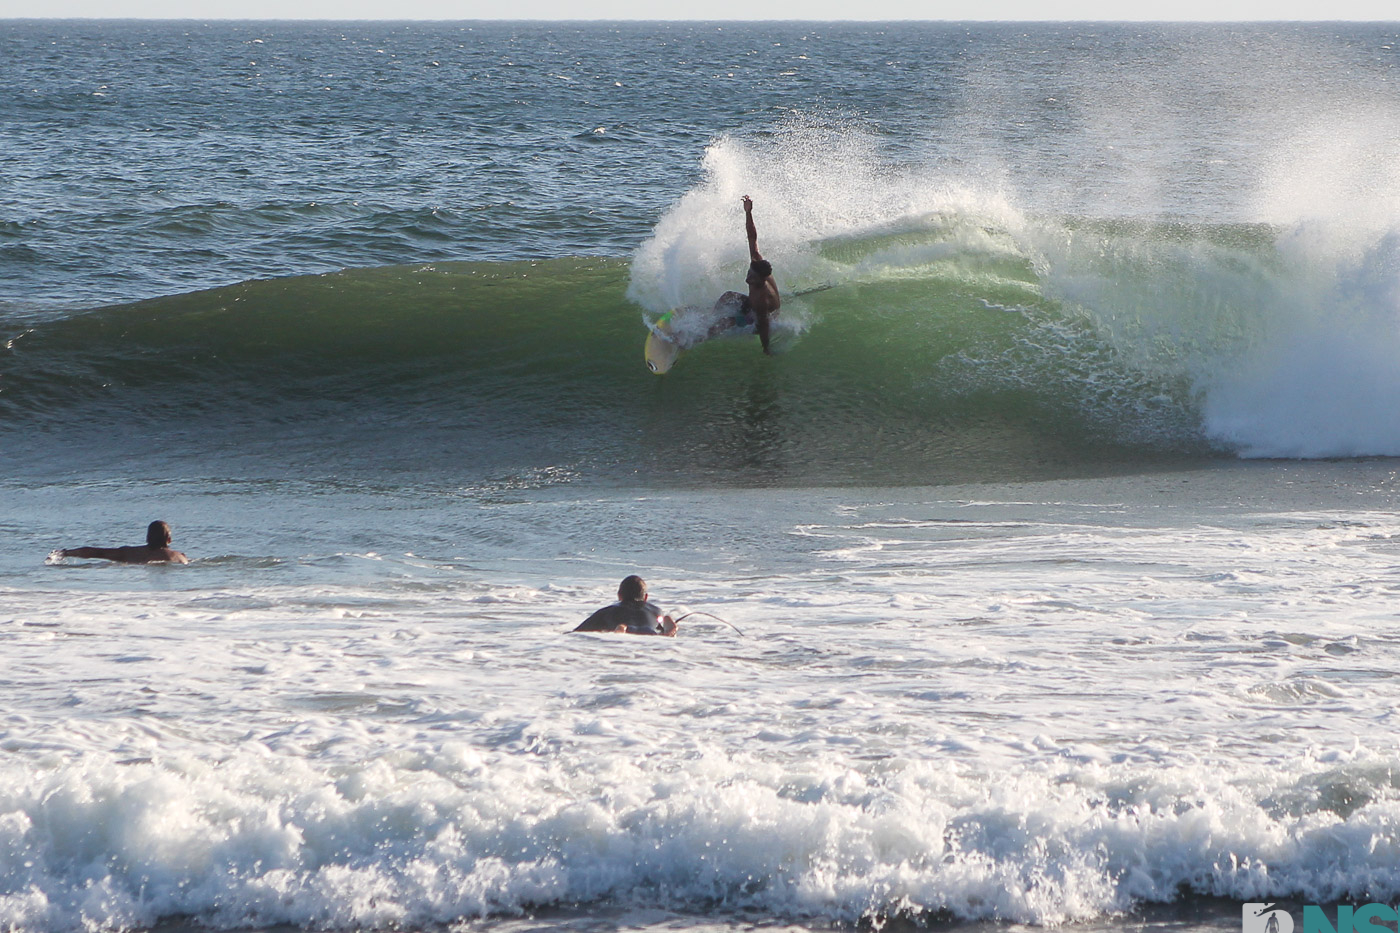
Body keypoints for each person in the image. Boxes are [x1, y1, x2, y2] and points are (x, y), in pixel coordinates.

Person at [711, 195, 781, 354]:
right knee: (727, 295)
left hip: (761, 317)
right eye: (749, 273)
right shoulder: (756, 262)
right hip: (752, 304)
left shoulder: (761, 299)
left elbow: (763, 325)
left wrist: (766, 348)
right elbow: (752, 237)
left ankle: (700, 336)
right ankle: (710, 316)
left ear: (762, 280)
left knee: (726, 322)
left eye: (752, 278)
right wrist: (748, 212)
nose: (747, 278)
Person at [572, 575, 677, 636]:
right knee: (658, 629)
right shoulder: (656, 611)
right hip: (650, 632)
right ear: (645, 597)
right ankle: (669, 630)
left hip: (627, 631)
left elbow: (576, 634)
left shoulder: (607, 612)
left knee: (624, 629)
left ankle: (621, 629)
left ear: (619, 596)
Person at [58, 520, 189, 564]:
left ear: (147, 538)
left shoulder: (129, 553)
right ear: (169, 540)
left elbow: (97, 552)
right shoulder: (180, 556)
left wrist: (65, 553)